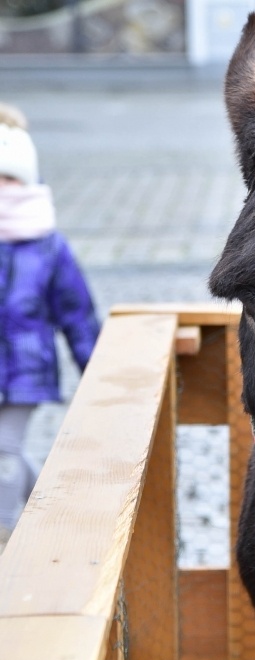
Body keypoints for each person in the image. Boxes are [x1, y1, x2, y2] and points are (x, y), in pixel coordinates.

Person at [0, 103, 99, 547]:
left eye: (10, 177)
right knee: (8, 452)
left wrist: (95, 368)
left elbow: (76, 312)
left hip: (26, 368)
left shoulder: (46, 243)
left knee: (4, 451)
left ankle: (6, 536)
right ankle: (46, 504)